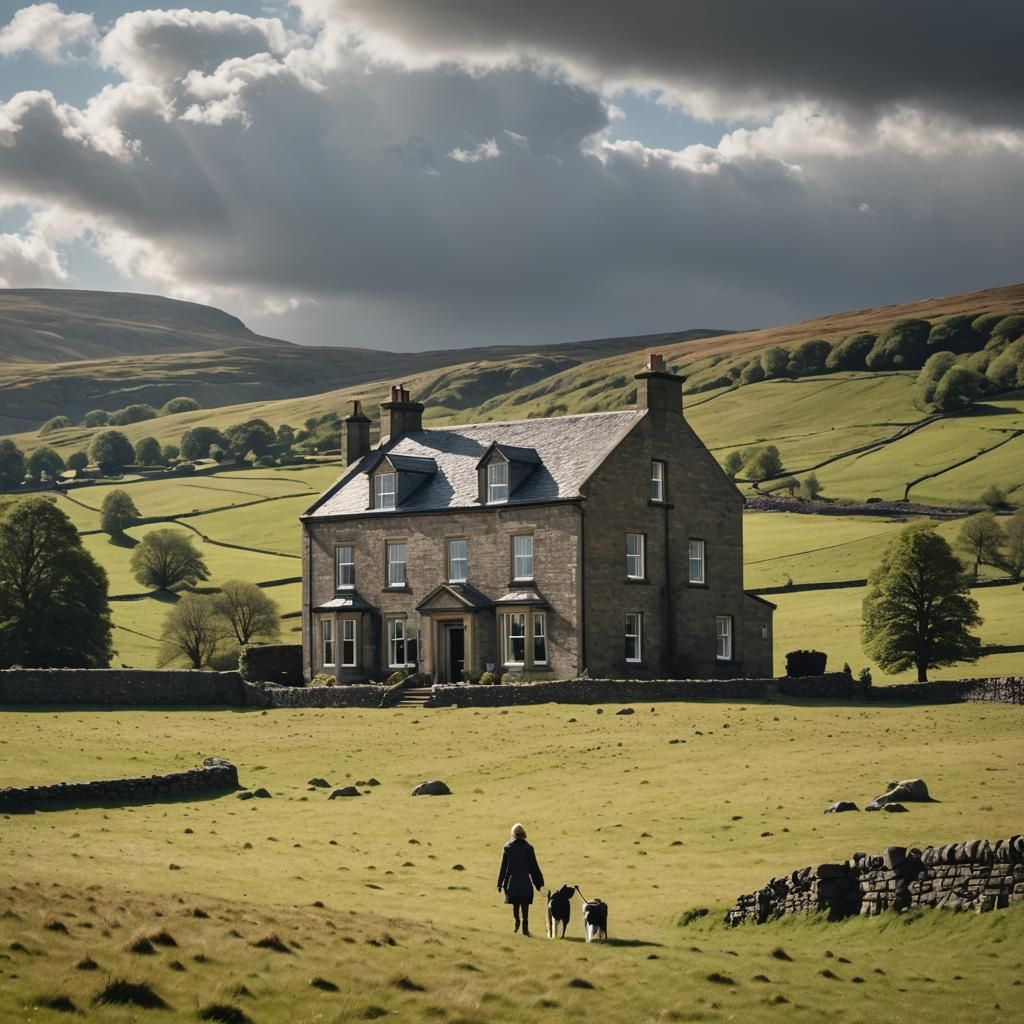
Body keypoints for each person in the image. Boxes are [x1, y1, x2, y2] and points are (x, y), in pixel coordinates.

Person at [497, 822, 544, 936]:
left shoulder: (507, 848)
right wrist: (539, 884)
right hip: (525, 882)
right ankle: (525, 926)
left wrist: (500, 883)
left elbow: (503, 867)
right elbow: (534, 868)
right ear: (523, 834)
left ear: (513, 834)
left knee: (516, 904)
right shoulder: (529, 848)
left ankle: (517, 921)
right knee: (525, 905)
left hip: (512, 882)